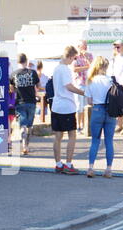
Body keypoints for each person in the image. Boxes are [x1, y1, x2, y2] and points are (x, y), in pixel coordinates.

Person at [51, 45, 85, 175]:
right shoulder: (65, 69)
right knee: (72, 134)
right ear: (70, 56)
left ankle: (58, 164)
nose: (74, 60)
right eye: (74, 58)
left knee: (58, 136)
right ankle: (69, 163)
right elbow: (69, 86)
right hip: (67, 106)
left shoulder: (56, 68)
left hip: (56, 105)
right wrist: (83, 93)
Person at [84, 56, 115, 178]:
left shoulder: (91, 80)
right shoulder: (111, 80)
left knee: (95, 141)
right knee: (109, 141)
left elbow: (89, 101)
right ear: (106, 67)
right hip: (110, 111)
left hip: (97, 110)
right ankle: (108, 169)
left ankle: (91, 168)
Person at [9, 53, 40, 155]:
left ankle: (23, 144)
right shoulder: (33, 72)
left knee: (22, 125)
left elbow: (12, 90)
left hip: (20, 102)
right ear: (26, 61)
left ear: (17, 62)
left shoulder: (13, 74)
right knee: (29, 125)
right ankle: (27, 146)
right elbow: (38, 86)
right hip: (31, 102)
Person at [72, 40, 93, 134]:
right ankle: (78, 126)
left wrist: (87, 59)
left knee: (85, 106)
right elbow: (74, 69)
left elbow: (92, 66)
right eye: (83, 46)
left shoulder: (89, 56)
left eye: (86, 46)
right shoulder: (75, 57)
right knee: (78, 106)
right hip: (79, 83)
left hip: (87, 83)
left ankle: (84, 125)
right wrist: (86, 67)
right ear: (79, 47)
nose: (85, 48)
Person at [111, 40, 123, 133]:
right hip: (117, 83)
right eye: (115, 47)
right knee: (118, 105)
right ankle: (120, 125)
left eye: (118, 47)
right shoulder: (115, 58)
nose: (116, 49)